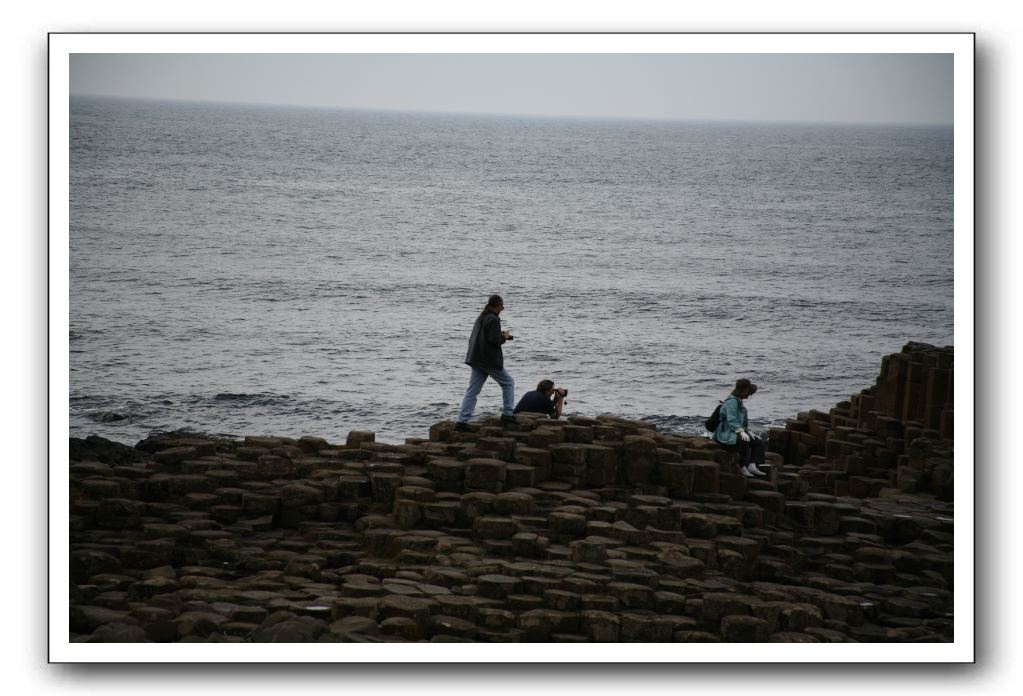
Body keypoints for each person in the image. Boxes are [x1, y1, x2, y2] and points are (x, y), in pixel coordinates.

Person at [455, 294, 515, 430]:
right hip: (488, 360)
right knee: (508, 383)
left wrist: (500, 336)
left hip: (476, 359)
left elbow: (484, 337)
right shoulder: (493, 319)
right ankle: (507, 415)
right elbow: (494, 340)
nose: (503, 309)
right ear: (497, 306)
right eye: (502, 307)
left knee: (472, 391)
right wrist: (504, 336)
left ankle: (461, 422)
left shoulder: (481, 317)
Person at [712, 378, 768, 478]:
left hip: (735, 431)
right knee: (744, 441)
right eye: (748, 393)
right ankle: (743, 467)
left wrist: (748, 432)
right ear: (743, 391)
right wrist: (742, 432)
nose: (748, 396)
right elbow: (732, 420)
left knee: (758, 442)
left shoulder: (739, 401)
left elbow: (743, 423)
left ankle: (752, 465)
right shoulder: (732, 402)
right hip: (725, 433)